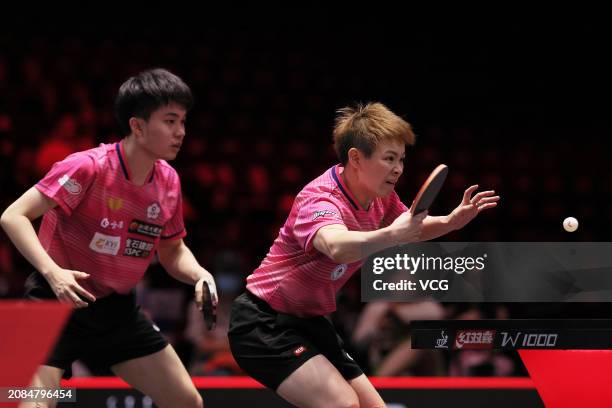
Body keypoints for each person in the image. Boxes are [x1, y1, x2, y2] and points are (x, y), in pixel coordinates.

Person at [228, 102, 499, 408]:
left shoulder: (380, 198)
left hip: (312, 322)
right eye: (389, 159)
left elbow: (412, 227)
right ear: (356, 158)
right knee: (343, 404)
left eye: (401, 159)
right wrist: (393, 235)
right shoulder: (320, 199)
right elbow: (336, 246)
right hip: (264, 323)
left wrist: (449, 222)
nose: (398, 168)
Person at [0, 68, 217, 408]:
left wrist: (199, 274)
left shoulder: (169, 183)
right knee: (31, 404)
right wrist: (51, 271)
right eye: (171, 121)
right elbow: (13, 215)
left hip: (117, 312)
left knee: (187, 401)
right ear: (138, 125)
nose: (180, 133)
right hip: (53, 303)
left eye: (183, 122)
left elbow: (172, 250)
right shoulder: (88, 167)